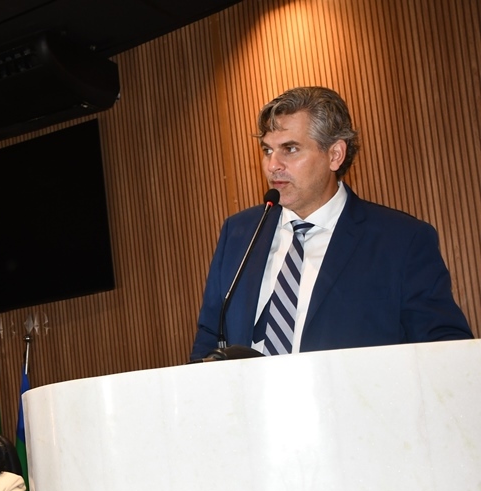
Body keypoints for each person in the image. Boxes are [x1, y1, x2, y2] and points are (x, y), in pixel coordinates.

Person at [191, 86, 472, 361]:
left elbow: (446, 350)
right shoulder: (239, 233)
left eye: (290, 149)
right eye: (267, 150)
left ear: (335, 154)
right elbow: (210, 337)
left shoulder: (401, 241)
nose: (272, 165)